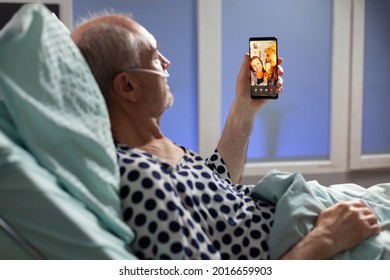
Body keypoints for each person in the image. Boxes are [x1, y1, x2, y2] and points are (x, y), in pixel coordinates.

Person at [71, 13, 380, 260]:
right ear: (127, 87)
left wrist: (244, 106)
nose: (166, 63)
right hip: (313, 237)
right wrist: (325, 239)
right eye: (153, 56)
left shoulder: (158, 149)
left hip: (310, 210)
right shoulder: (141, 177)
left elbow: (218, 189)